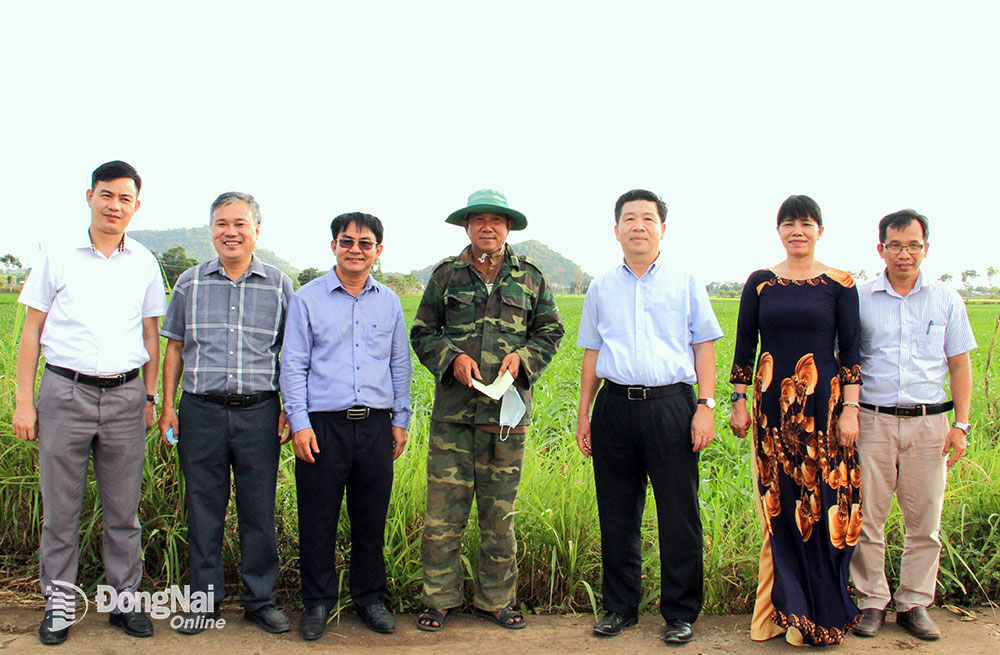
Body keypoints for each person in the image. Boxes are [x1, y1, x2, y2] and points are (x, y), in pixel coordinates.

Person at [13, 161, 166, 644]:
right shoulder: (58, 257)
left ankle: (124, 603)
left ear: (136, 206)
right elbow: (32, 331)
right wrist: (24, 401)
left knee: (123, 511)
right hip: (64, 393)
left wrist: (149, 395)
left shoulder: (144, 260)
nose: (114, 205)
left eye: (125, 198)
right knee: (61, 511)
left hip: (124, 396)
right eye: (107, 195)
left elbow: (151, 335)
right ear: (89, 196)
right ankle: (58, 607)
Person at [411, 189, 564, 632]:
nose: (488, 228)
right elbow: (423, 332)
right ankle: (438, 600)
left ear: (508, 227)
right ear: (467, 226)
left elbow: (551, 332)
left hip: (506, 419)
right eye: (479, 220)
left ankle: (495, 600)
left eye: (497, 221)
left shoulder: (531, 278)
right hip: (453, 419)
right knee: (443, 514)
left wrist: (524, 360)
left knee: (500, 515)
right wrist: (451, 358)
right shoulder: (446, 276)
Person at [575, 189, 722, 645]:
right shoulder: (601, 286)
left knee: (679, 513)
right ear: (616, 229)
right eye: (629, 219)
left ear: (662, 228)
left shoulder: (684, 280)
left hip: (671, 406)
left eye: (647, 218)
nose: (638, 226)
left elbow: (704, 347)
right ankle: (620, 607)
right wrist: (584, 415)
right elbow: (591, 352)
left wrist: (705, 406)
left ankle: (680, 612)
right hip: (614, 407)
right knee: (617, 513)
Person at [729, 194, 863, 645]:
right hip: (772, 413)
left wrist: (851, 408)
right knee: (780, 508)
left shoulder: (839, 283)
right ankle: (780, 613)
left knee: (821, 503)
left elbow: (852, 352)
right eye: (789, 223)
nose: (797, 230)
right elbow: (745, 344)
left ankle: (816, 612)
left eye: (806, 223)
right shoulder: (761, 283)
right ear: (779, 231)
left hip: (823, 413)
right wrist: (738, 400)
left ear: (819, 230)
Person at [159, 192, 295, 635]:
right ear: (211, 229)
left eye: (239, 223)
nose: (230, 232)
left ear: (257, 229)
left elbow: (290, 355)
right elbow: (174, 348)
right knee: (203, 509)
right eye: (221, 223)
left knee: (258, 509)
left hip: (259, 412)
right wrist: (167, 407)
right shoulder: (190, 283)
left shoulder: (279, 284)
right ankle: (204, 601)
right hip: (200, 411)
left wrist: (291, 410)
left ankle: (260, 600)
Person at [280, 212, 412, 640]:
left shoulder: (388, 301)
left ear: (378, 250)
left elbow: (398, 364)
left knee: (370, 519)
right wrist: (299, 422)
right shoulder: (308, 299)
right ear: (333, 246)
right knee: (317, 519)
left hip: (375, 426)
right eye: (346, 240)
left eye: (365, 242)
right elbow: (293, 363)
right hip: (322, 426)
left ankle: (370, 598)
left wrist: (401, 420)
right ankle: (317, 602)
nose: (355, 249)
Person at [849, 210, 976, 641]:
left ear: (926, 247)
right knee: (868, 517)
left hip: (929, 424)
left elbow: (959, 365)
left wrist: (961, 424)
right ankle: (871, 603)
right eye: (896, 245)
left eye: (914, 245)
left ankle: (914, 603)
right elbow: (844, 362)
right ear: (880, 247)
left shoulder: (946, 299)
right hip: (873, 420)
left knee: (926, 521)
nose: (905, 254)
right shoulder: (861, 297)